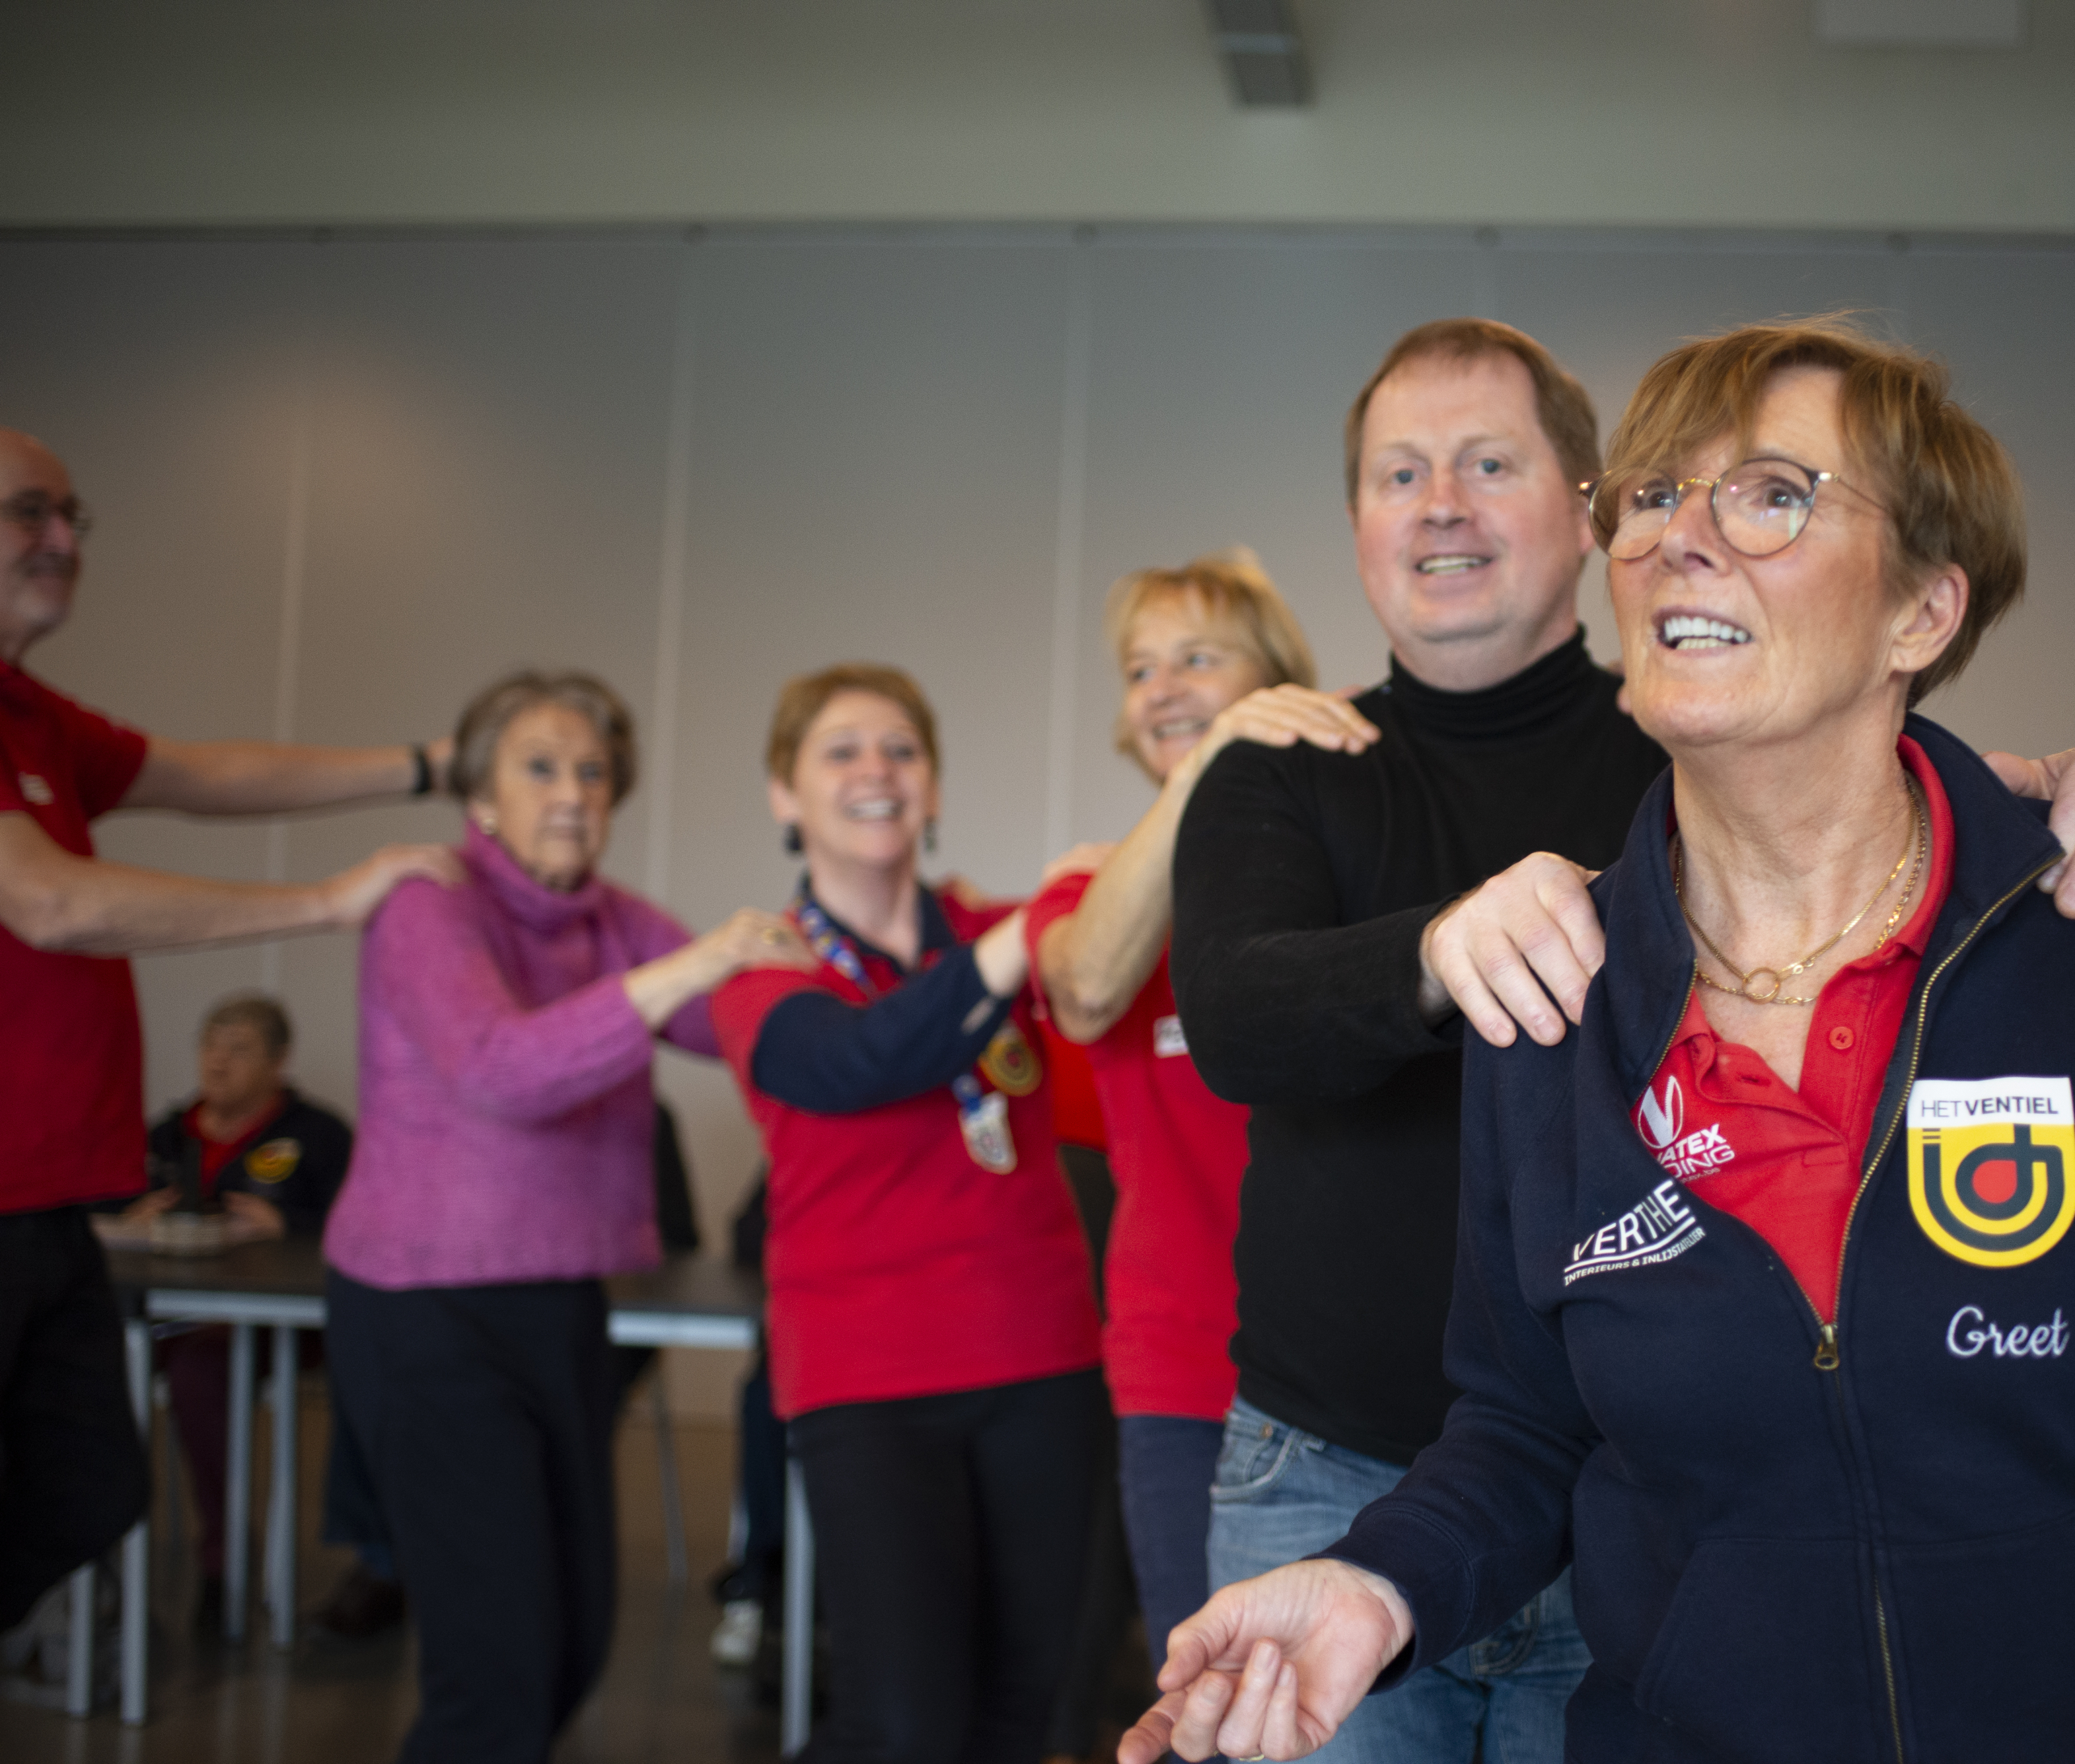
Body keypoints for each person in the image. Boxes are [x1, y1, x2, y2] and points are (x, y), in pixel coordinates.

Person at [1130, 316, 2075, 1764]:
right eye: (1655, 496)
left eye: (1770, 495)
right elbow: (1523, 1429)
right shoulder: (1556, 997)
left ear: (1920, 612)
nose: (1680, 537)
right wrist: (1375, 1583)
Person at [0, 427, 455, 1641]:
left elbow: (205, 772)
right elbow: (51, 901)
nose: (60, 542)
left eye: (70, 517)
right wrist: (324, 903)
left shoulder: (29, 715)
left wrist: (430, 764)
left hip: (46, 1202)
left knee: (91, 1485)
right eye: (26, 513)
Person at [323, 668, 811, 1763]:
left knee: (575, 1641)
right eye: (540, 767)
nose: (574, 792)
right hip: (424, 1314)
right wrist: (701, 959)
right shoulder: (429, 904)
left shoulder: (612, 921)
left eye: (593, 770)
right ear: (481, 797)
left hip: (560, 1303)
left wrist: (890, 976)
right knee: (492, 1677)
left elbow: (732, 1016)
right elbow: (501, 1068)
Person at [711, 665, 1107, 1764]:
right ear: (784, 797)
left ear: (931, 787)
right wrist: (1020, 939)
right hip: (869, 1384)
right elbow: (857, 1060)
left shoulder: (997, 930)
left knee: (1023, 1712)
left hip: (1042, 1365)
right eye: (840, 751)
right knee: (906, 1724)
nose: (876, 771)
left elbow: (1107, 970)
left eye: (901, 749)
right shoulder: (762, 970)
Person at [1029, 550, 1377, 1670]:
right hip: (1183, 1372)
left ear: (1278, 680)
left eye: (1197, 657)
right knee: (1213, 1712)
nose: (1164, 687)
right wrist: (1208, 773)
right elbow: (1084, 990)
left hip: (1355, 1367)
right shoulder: (1088, 889)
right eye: (1142, 668)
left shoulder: (1344, 862)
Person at [111, 994, 353, 1615]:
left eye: (239, 1049)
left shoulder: (319, 1137)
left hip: (280, 1320)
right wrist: (131, 1220)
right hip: (174, 1309)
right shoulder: (167, 1135)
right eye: (211, 1046)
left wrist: (286, 1222)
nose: (219, 1063)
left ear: (278, 1062)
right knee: (93, 1360)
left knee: (201, 1370)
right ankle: (95, 1567)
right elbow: (107, 1213)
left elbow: (363, 1227)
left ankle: (222, 1551)